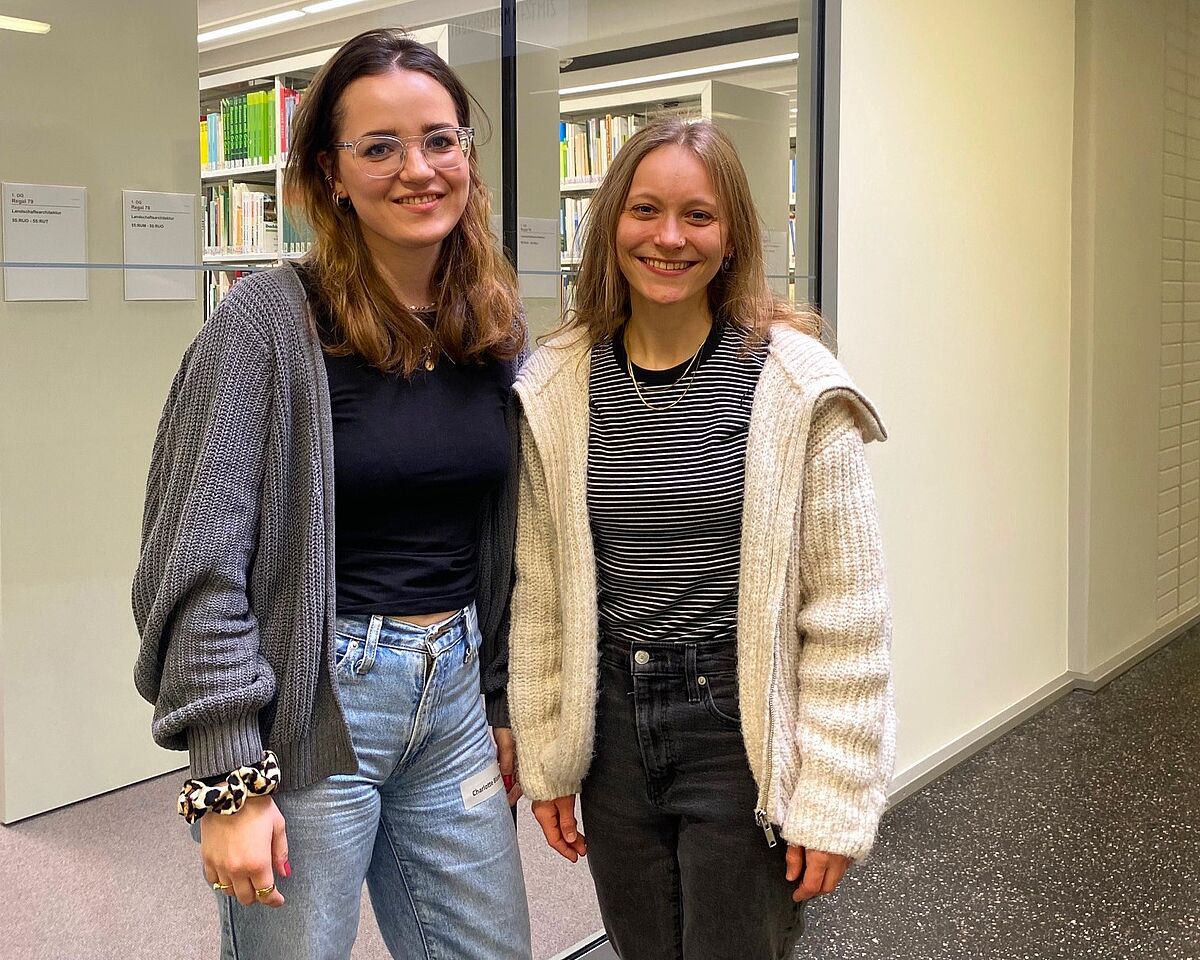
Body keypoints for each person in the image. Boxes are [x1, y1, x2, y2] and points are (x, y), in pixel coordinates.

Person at [132, 28, 532, 960]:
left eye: (439, 140)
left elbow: (505, 539)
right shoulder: (267, 322)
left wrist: (503, 696)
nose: (417, 170)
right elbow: (195, 562)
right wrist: (229, 777)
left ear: (467, 153)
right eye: (379, 147)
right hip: (314, 702)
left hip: (455, 696)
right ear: (332, 172)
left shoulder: (492, 327)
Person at [507, 117, 896, 960]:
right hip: (612, 723)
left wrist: (833, 794)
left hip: (737, 725)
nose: (670, 238)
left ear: (733, 237)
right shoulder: (558, 385)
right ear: (611, 223)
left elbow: (847, 613)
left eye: (699, 215)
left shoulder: (794, 386)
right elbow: (542, 591)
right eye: (646, 209)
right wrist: (548, 756)